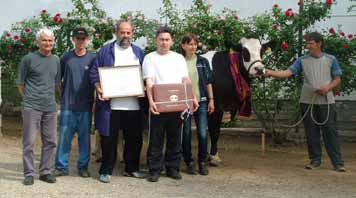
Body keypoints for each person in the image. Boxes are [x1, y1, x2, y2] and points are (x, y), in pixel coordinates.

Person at [264, 32, 346, 172]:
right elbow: (287, 73)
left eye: (311, 43)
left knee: (330, 132)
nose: (308, 45)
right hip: (307, 101)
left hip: (327, 101)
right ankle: (315, 161)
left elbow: (338, 78)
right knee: (311, 132)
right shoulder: (302, 60)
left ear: (319, 44)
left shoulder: (331, 59)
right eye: (307, 43)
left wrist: (328, 87)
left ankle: (337, 163)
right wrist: (269, 72)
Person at [89, 21, 147, 183]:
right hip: (111, 106)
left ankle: (132, 168)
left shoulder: (138, 52)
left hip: (134, 105)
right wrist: (98, 87)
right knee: (108, 139)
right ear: (116, 32)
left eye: (128, 33)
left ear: (132, 33)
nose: (125, 36)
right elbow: (94, 73)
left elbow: (145, 74)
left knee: (134, 139)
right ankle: (106, 170)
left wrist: (143, 86)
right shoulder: (105, 51)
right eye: (122, 32)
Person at [143, 26, 198, 182]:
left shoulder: (178, 58)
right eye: (161, 39)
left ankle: (172, 168)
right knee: (156, 138)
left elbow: (185, 80)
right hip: (158, 105)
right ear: (156, 40)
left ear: (172, 41)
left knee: (175, 138)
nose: (164, 42)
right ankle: (154, 169)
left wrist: (192, 97)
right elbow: (149, 81)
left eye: (167, 39)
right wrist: (151, 101)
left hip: (177, 105)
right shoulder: (150, 58)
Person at [16, 28, 60, 185]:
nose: (47, 43)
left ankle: (45, 172)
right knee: (29, 141)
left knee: (51, 141)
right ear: (38, 42)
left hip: (50, 107)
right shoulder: (28, 59)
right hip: (31, 106)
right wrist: (28, 99)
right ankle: (29, 173)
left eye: (50, 40)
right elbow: (20, 83)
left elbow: (56, 83)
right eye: (44, 40)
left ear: (53, 42)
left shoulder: (56, 59)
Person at [54, 27, 96, 178]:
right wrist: (64, 96)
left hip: (86, 105)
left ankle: (83, 167)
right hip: (67, 105)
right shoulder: (66, 57)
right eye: (78, 38)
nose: (80, 41)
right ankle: (61, 167)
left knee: (84, 139)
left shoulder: (93, 58)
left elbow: (96, 80)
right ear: (73, 39)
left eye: (83, 38)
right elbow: (58, 81)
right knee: (64, 137)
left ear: (87, 40)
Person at [180, 33, 214, 175]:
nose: (193, 46)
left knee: (202, 133)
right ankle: (189, 162)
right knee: (186, 133)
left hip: (202, 102)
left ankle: (202, 161)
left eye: (194, 44)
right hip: (184, 103)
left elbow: (208, 82)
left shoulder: (203, 61)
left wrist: (211, 99)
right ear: (183, 46)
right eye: (189, 44)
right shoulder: (178, 61)